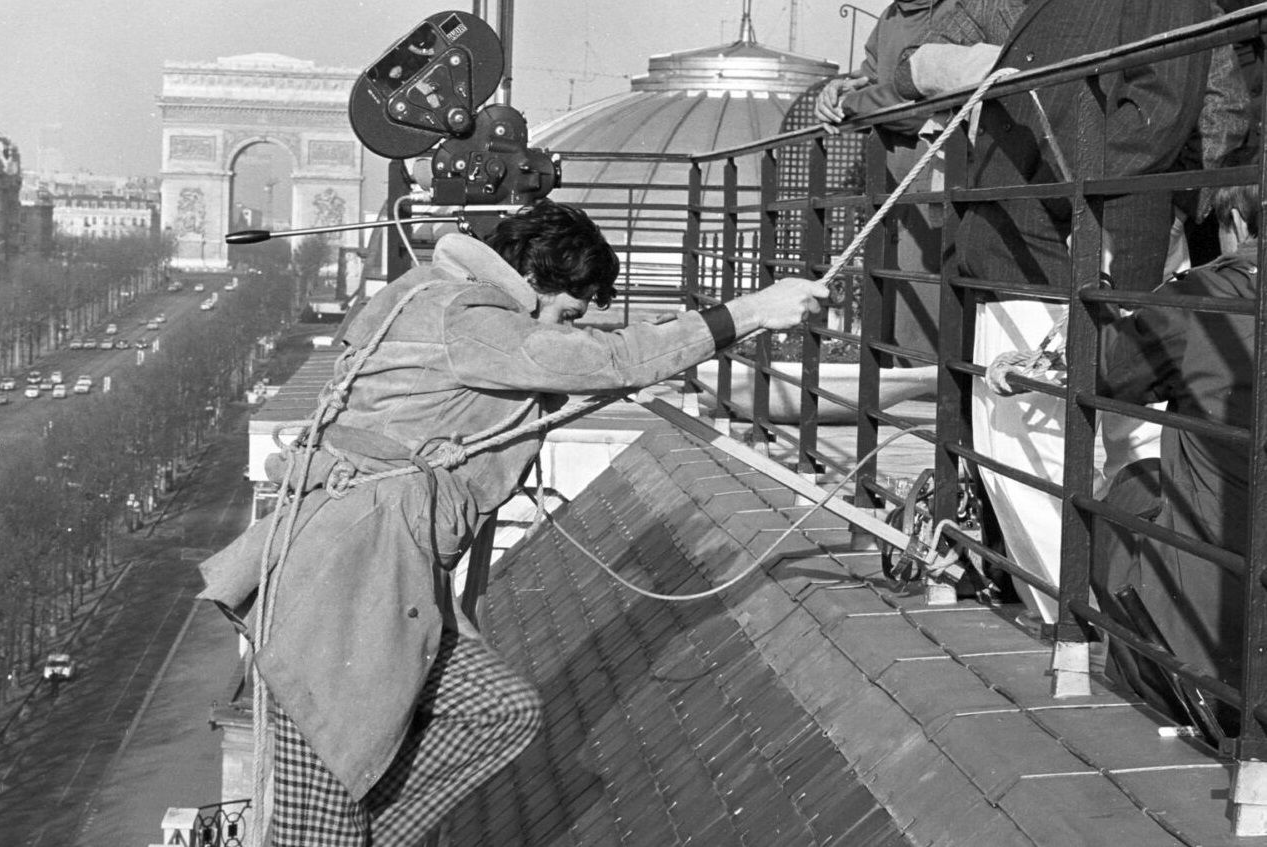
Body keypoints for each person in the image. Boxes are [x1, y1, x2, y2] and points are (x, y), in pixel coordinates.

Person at [199, 200, 829, 845]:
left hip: (377, 572)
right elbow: (603, 361)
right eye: (568, 315)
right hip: (348, 581)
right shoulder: (467, 314)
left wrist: (629, 354)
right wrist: (753, 310)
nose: (568, 333)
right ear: (534, 282)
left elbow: (583, 361)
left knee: (500, 712)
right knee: (324, 808)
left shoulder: (449, 303)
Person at [911, 0, 1213, 623]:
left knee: (1055, 439)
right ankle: (1086, 615)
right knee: (1025, 446)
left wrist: (1075, 194)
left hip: (1075, 242)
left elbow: (1159, 109)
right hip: (1029, 239)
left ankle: (1096, 622)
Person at [1093, 176, 1260, 697]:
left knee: (1129, 492)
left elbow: (1113, 375)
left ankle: (1154, 680)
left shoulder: (1206, 295)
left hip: (1226, 652)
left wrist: (1097, 287)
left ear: (1234, 223)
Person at [815, 0, 949, 364]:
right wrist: (840, 91)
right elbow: (873, 80)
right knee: (896, 294)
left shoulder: (961, 10)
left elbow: (925, 101)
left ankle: (926, 396)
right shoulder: (892, 16)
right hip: (894, 181)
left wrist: (854, 102)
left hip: (936, 169)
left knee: (925, 301)